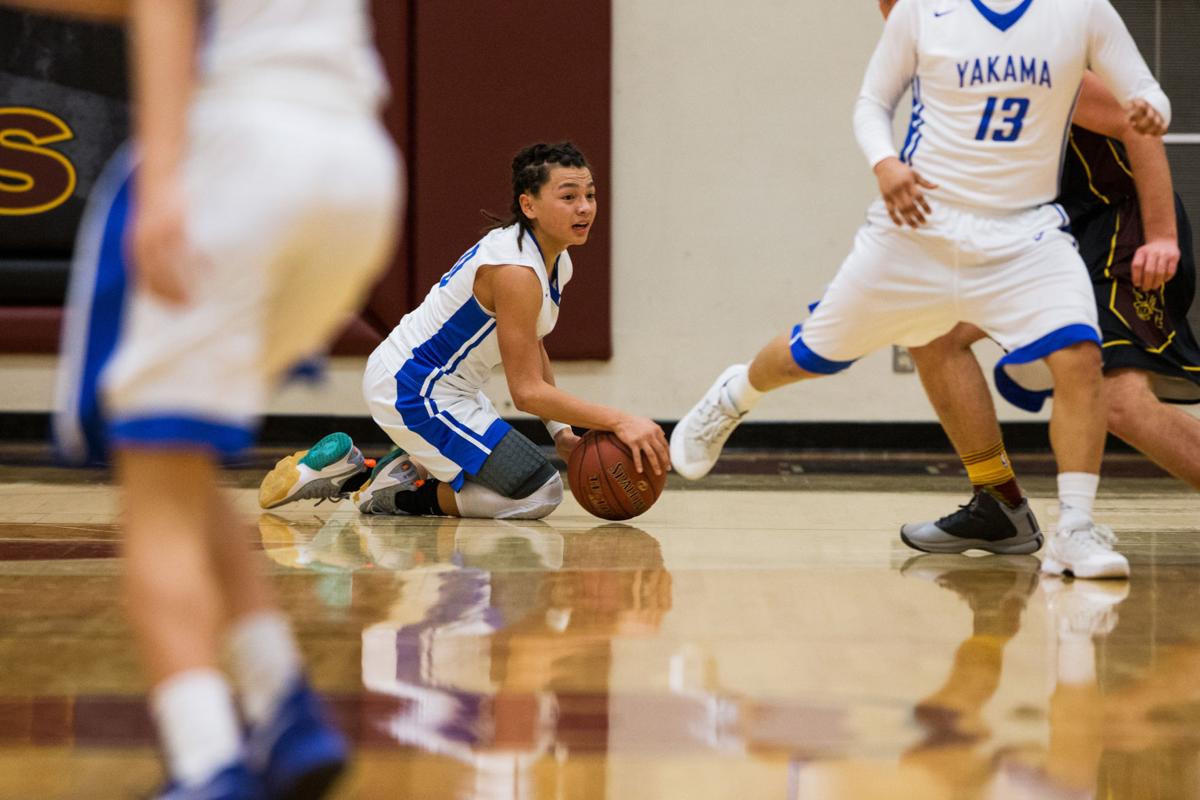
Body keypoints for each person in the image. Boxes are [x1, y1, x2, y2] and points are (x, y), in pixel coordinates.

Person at [669, 0, 1169, 579]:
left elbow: (1144, 93)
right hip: (918, 229)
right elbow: (871, 104)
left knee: (1080, 356)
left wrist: (1152, 109)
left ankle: (1075, 530)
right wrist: (885, 164)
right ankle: (734, 395)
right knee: (809, 355)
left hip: (1024, 231)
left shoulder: (1080, 11)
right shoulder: (923, 12)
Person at [51, 1, 401, 797]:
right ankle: (283, 709)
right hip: (357, 169)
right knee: (174, 465)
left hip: (244, 149)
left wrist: (167, 177)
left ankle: (207, 762)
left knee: (154, 497)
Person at [258, 142, 669, 521]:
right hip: (413, 389)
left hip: (448, 391)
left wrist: (561, 434)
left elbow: (532, 345)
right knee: (538, 493)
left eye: (590, 195)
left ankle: (361, 466)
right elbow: (526, 392)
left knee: (493, 475)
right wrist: (621, 421)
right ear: (529, 204)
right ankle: (384, 494)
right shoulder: (515, 272)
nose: (584, 208)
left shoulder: (554, 260)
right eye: (568, 197)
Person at [900, 72, 1200, 554]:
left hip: (1118, 224)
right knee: (932, 331)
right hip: (1052, 231)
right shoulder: (951, 69)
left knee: (1119, 402)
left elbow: (1140, 126)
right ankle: (998, 505)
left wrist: (1162, 236)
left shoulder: (1039, 55)